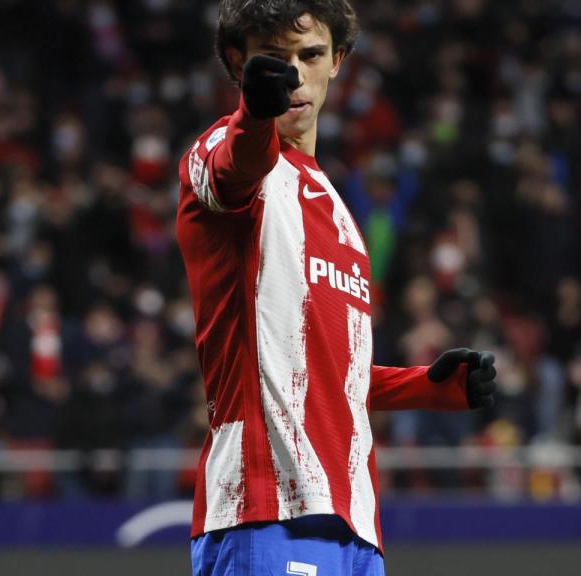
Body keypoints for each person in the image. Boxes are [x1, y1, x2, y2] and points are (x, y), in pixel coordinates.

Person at [176, 2, 497, 574]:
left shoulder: (341, 214)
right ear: (237, 63)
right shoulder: (219, 150)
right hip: (264, 508)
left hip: (355, 522)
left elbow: (320, 369)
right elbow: (234, 171)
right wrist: (254, 113)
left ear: (338, 61)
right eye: (273, 60)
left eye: (310, 55)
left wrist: (428, 387)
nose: (294, 75)